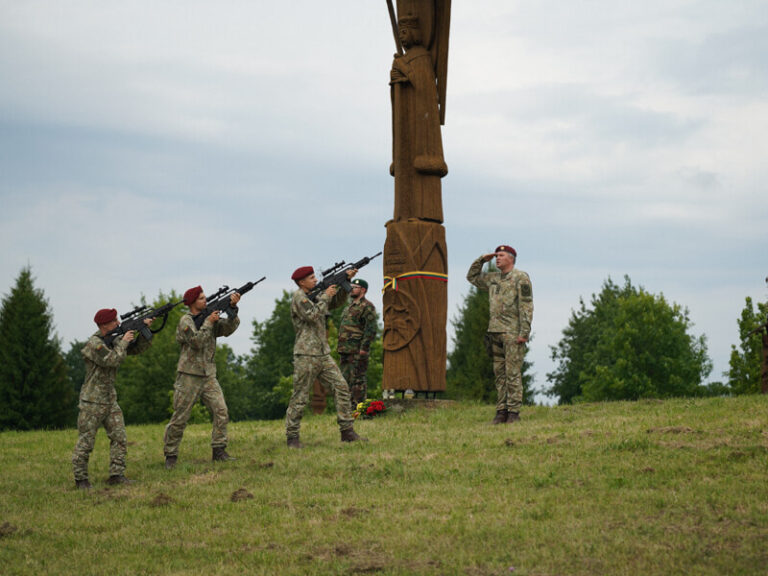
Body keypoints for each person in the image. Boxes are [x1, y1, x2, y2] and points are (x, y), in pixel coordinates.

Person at [72, 308, 152, 489]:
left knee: (120, 437)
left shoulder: (115, 338)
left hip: (109, 399)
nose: (118, 323)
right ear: (103, 325)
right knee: (86, 441)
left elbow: (135, 350)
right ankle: (81, 479)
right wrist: (123, 342)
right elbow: (112, 360)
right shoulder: (95, 344)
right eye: (114, 321)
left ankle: (117, 474)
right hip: (92, 401)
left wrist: (145, 332)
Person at [285, 266, 365, 447]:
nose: (315, 280)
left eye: (315, 277)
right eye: (311, 278)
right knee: (300, 396)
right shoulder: (299, 297)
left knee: (342, 387)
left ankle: (347, 431)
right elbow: (312, 315)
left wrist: (343, 286)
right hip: (306, 354)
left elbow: (333, 305)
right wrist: (327, 295)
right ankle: (292, 437)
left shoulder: (317, 294)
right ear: (301, 282)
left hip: (322, 353)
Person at [163, 285, 240, 469]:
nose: (205, 300)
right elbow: (196, 342)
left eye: (206, 297)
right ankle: (171, 455)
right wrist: (208, 322)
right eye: (201, 298)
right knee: (180, 417)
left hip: (208, 375)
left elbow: (228, 329)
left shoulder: (210, 319)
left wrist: (233, 309)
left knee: (221, 411)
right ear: (191, 303)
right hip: (189, 375)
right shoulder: (186, 321)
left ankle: (219, 450)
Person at [466, 245, 533, 424]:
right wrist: (482, 259)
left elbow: (526, 306)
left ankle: (513, 412)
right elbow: (471, 277)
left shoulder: (520, 277)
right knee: (500, 375)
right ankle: (501, 411)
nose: (497, 259)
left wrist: (524, 332)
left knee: (512, 373)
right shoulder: (493, 278)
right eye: (496, 256)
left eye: (501, 255)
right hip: (494, 332)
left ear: (511, 258)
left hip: (512, 332)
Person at [337, 278, 378, 407]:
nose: (352, 288)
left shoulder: (367, 306)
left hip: (357, 350)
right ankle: (347, 410)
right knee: (345, 381)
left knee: (357, 380)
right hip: (345, 350)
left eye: (355, 287)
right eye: (352, 286)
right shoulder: (348, 307)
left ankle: (358, 408)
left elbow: (371, 329)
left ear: (363, 290)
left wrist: (364, 348)